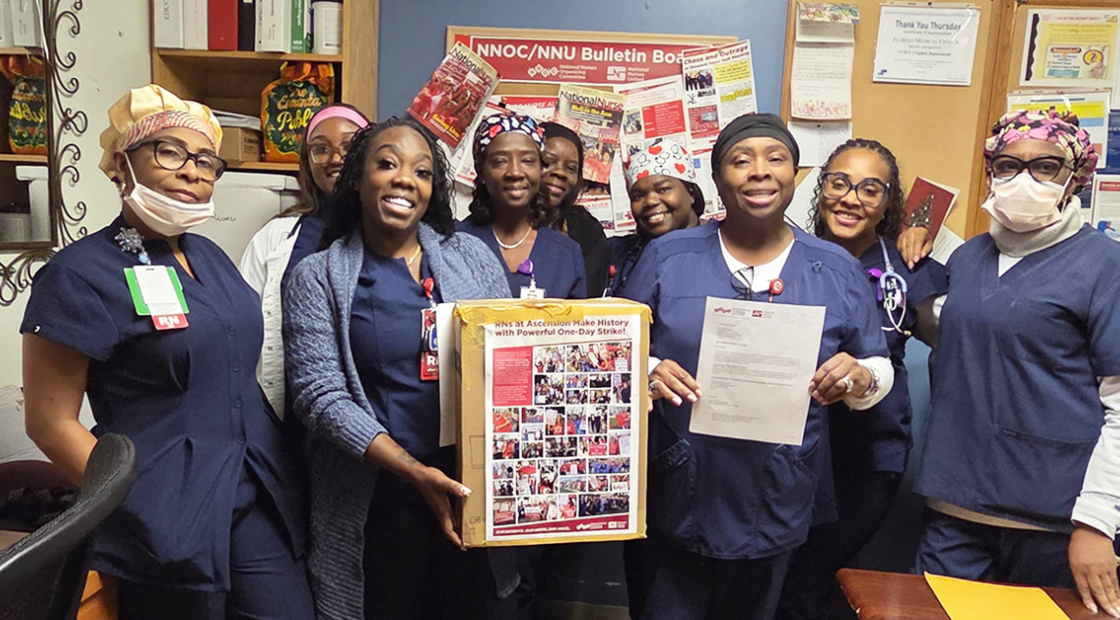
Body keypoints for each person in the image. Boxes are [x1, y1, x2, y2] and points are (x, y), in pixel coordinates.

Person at [20, 85, 313, 619]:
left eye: (205, 160)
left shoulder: (212, 258)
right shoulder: (78, 275)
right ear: (120, 164)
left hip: (254, 493)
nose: (192, 171)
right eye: (170, 152)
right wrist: (134, 501)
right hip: (163, 513)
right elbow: (49, 422)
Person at [618, 113, 893, 620]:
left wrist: (860, 377)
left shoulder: (835, 268)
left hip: (778, 486)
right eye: (741, 161)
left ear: (795, 175)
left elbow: (878, 363)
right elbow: (618, 347)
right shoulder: (668, 256)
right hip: (682, 482)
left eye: (776, 159)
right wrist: (650, 367)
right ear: (718, 180)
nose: (759, 171)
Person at [283, 115, 518, 620]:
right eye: (387, 164)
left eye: (422, 171)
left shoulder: (470, 256)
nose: (405, 179)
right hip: (380, 496)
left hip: (469, 490)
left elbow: (516, 350)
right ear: (357, 178)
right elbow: (318, 395)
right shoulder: (317, 276)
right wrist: (413, 471)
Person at [911, 109, 1120, 618]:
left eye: (1045, 166)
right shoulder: (967, 259)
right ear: (991, 172)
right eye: (1008, 165)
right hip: (955, 509)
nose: (1024, 178)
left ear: (1074, 178)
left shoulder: (1105, 266)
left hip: (1056, 522)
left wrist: (1096, 523)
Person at [775, 139, 947, 620]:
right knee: (772, 578)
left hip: (866, 457)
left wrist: (922, 232)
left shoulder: (908, 269)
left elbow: (969, 323)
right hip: (784, 449)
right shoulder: (784, 254)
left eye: (871, 189)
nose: (851, 199)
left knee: (811, 578)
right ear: (821, 189)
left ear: (888, 203)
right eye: (840, 183)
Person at [240, 103, 370, 420]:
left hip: (377, 420)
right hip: (291, 421)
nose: (336, 158)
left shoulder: (394, 235)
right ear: (307, 163)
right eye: (321, 149)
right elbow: (243, 333)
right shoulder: (276, 237)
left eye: (349, 146)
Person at [457, 114, 587, 299]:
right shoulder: (453, 244)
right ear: (481, 172)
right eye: (500, 161)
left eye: (528, 161)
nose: (515, 172)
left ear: (540, 170)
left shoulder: (565, 253)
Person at [609, 139, 707, 294]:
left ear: (691, 194)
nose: (650, 201)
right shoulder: (617, 252)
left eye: (663, 189)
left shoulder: (722, 245)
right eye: (638, 196)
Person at [540, 121, 612, 294]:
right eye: (548, 162)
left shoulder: (587, 231)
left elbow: (589, 300)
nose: (560, 172)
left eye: (571, 168)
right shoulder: (502, 227)